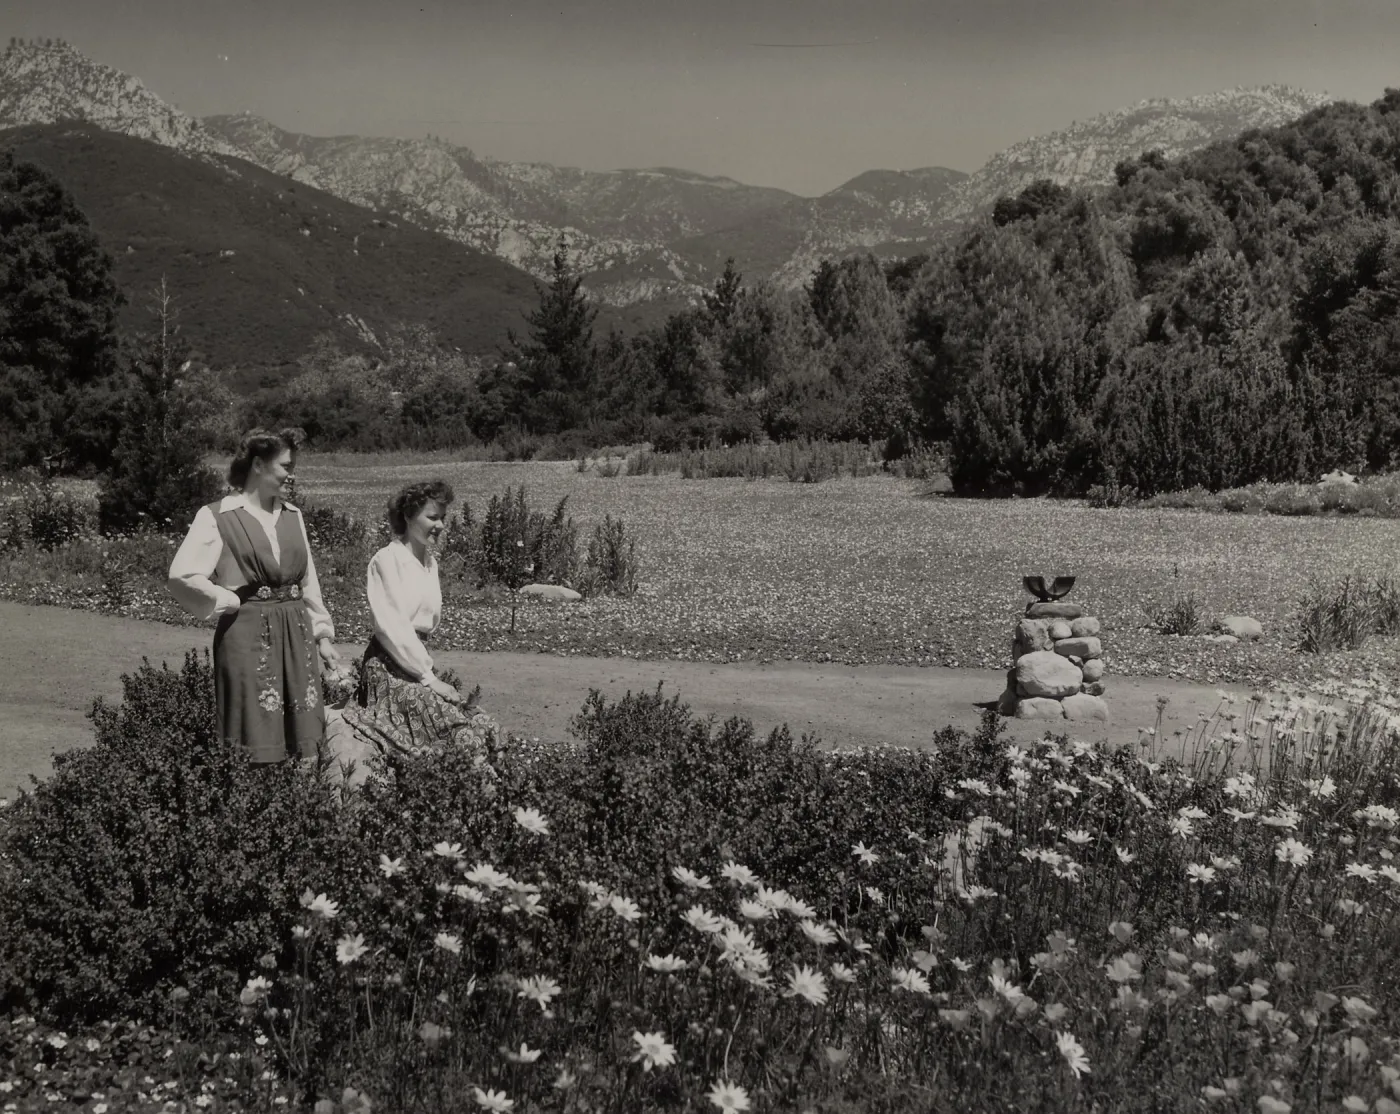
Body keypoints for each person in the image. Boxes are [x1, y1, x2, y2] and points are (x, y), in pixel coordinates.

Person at [167, 428, 341, 763]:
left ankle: (293, 796)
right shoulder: (218, 516)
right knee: (253, 737)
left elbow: (308, 581)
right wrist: (229, 600)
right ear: (258, 465)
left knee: (300, 743)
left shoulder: (293, 515)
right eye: (286, 466)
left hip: (296, 635)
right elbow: (182, 575)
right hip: (247, 639)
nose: (292, 474)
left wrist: (322, 636)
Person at [348, 480, 496, 771]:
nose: (440, 525)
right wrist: (428, 678)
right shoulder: (387, 560)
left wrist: (426, 674)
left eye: (443, 518)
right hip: (388, 667)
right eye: (432, 517)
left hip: (416, 665)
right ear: (407, 516)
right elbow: (391, 627)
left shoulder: (429, 563)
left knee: (481, 720)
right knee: (450, 723)